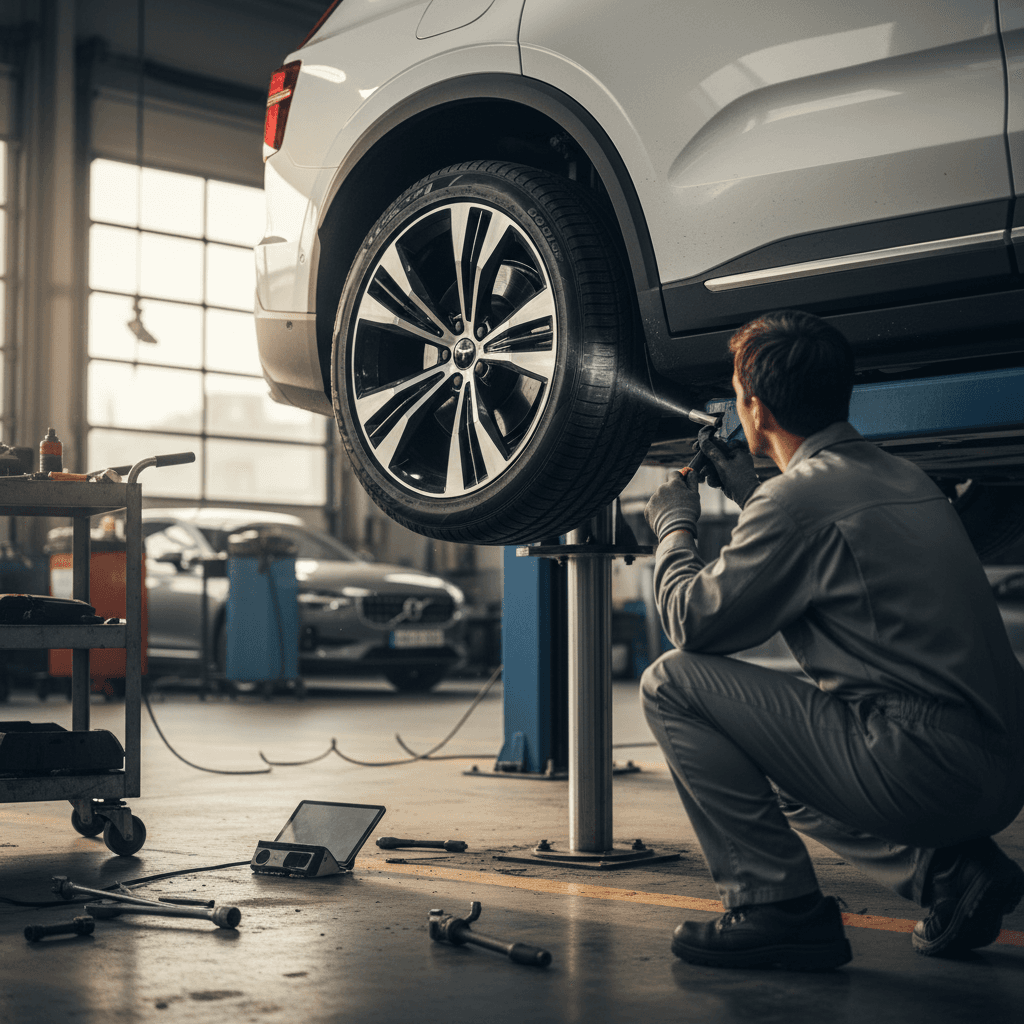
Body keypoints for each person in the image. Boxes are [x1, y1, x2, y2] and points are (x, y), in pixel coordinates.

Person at [641, 309, 1024, 971]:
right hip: (998, 769)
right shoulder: (901, 477)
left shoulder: (794, 503)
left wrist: (674, 528)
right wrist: (756, 494)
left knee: (672, 683)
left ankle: (774, 908)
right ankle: (950, 876)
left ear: (754, 410)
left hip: (925, 771)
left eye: (738, 393)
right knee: (768, 762)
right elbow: (826, 535)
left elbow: (693, 623)